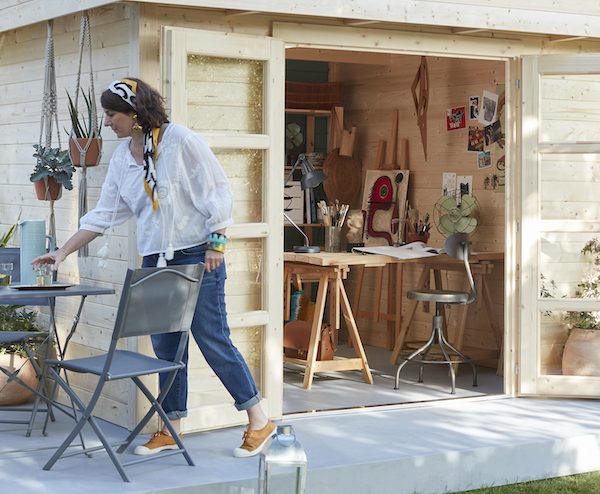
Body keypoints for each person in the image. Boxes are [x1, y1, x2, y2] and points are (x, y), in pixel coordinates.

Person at [32, 77, 275, 457]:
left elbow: (219, 190)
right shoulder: (121, 159)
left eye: (112, 115)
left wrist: (218, 243)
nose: (108, 122)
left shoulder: (181, 141)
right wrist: (63, 252)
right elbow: (104, 214)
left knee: (212, 339)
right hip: (156, 260)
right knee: (166, 349)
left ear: (135, 113)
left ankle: (259, 420)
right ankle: (171, 428)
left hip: (198, 254)